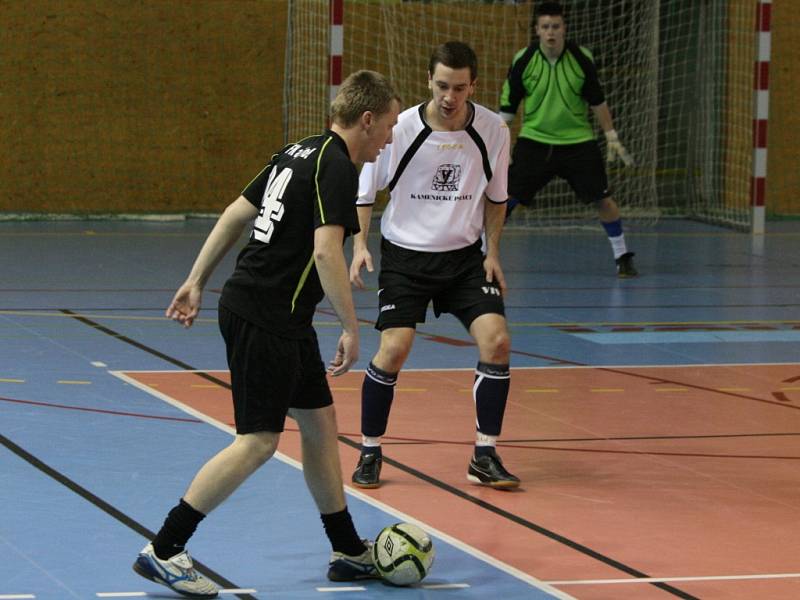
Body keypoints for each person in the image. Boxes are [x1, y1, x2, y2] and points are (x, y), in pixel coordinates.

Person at [131, 70, 401, 599]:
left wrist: (196, 279)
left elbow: (237, 211)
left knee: (320, 426)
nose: (390, 137)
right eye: (388, 126)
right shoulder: (338, 167)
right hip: (266, 316)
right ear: (366, 120)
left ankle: (346, 550)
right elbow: (327, 252)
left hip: (280, 318)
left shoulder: (298, 150)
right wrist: (350, 327)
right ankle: (164, 549)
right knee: (257, 441)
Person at [349, 41, 520, 491]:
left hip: (464, 259)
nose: (450, 96)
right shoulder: (401, 130)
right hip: (406, 257)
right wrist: (360, 245)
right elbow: (366, 190)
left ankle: (484, 455)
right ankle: (369, 449)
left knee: (497, 341)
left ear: (473, 86)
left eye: (459, 88)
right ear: (429, 81)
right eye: (442, 85)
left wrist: (492, 252)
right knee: (395, 349)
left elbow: (497, 198)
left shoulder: (492, 131)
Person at [499, 1, 638, 278]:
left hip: (578, 143)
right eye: (545, 27)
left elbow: (598, 102)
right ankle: (480, 254)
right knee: (506, 199)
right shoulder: (523, 60)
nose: (551, 32)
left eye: (556, 26)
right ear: (537, 30)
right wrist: (499, 144)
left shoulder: (582, 58)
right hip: (535, 141)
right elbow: (507, 109)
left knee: (604, 200)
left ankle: (622, 255)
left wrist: (611, 136)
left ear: (565, 28)